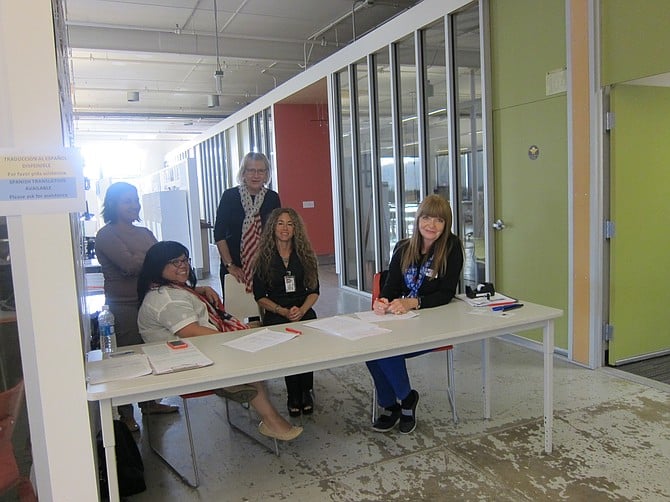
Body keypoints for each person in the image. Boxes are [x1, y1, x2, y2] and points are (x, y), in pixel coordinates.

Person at [137, 241, 302, 441]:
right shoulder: (166, 299)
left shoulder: (169, 289)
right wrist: (234, 338)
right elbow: (193, 332)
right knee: (248, 359)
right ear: (157, 266)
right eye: (174, 262)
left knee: (252, 352)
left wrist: (200, 289)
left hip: (196, 348)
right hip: (184, 359)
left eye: (184, 260)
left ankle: (262, 410)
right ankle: (267, 416)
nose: (183, 265)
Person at [367, 194, 463, 434]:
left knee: (388, 351)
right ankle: (393, 404)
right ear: (418, 219)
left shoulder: (451, 248)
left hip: (433, 323)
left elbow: (446, 293)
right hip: (401, 321)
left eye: (439, 220)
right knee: (370, 350)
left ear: (446, 224)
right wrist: (382, 301)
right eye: (426, 218)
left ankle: (405, 401)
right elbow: (389, 286)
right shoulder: (403, 247)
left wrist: (413, 302)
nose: (431, 225)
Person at [95, 182, 178, 431]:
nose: (134, 205)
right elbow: (129, 265)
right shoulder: (106, 234)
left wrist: (149, 258)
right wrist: (151, 258)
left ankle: (150, 402)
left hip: (150, 302)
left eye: (135, 199)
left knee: (152, 353)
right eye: (126, 201)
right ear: (113, 205)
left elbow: (160, 260)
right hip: (123, 306)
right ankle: (126, 414)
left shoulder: (143, 232)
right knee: (128, 360)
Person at [253, 208, 319, 417]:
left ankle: (306, 390)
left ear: (295, 229)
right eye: (280, 223)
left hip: (303, 308)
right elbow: (259, 296)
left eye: (290, 224)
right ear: (273, 227)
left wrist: (301, 310)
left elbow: (315, 291)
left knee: (308, 342)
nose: (285, 228)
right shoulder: (263, 258)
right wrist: (281, 310)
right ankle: (293, 393)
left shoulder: (305, 255)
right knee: (289, 347)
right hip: (276, 311)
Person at [214, 152, 281, 301]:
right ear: (243, 173)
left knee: (262, 309)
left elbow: (275, 233)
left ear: (266, 174)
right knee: (236, 311)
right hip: (233, 264)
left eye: (261, 171)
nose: (255, 175)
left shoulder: (272, 198)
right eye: (251, 170)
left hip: (264, 265)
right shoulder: (230, 196)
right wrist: (230, 266)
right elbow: (219, 234)